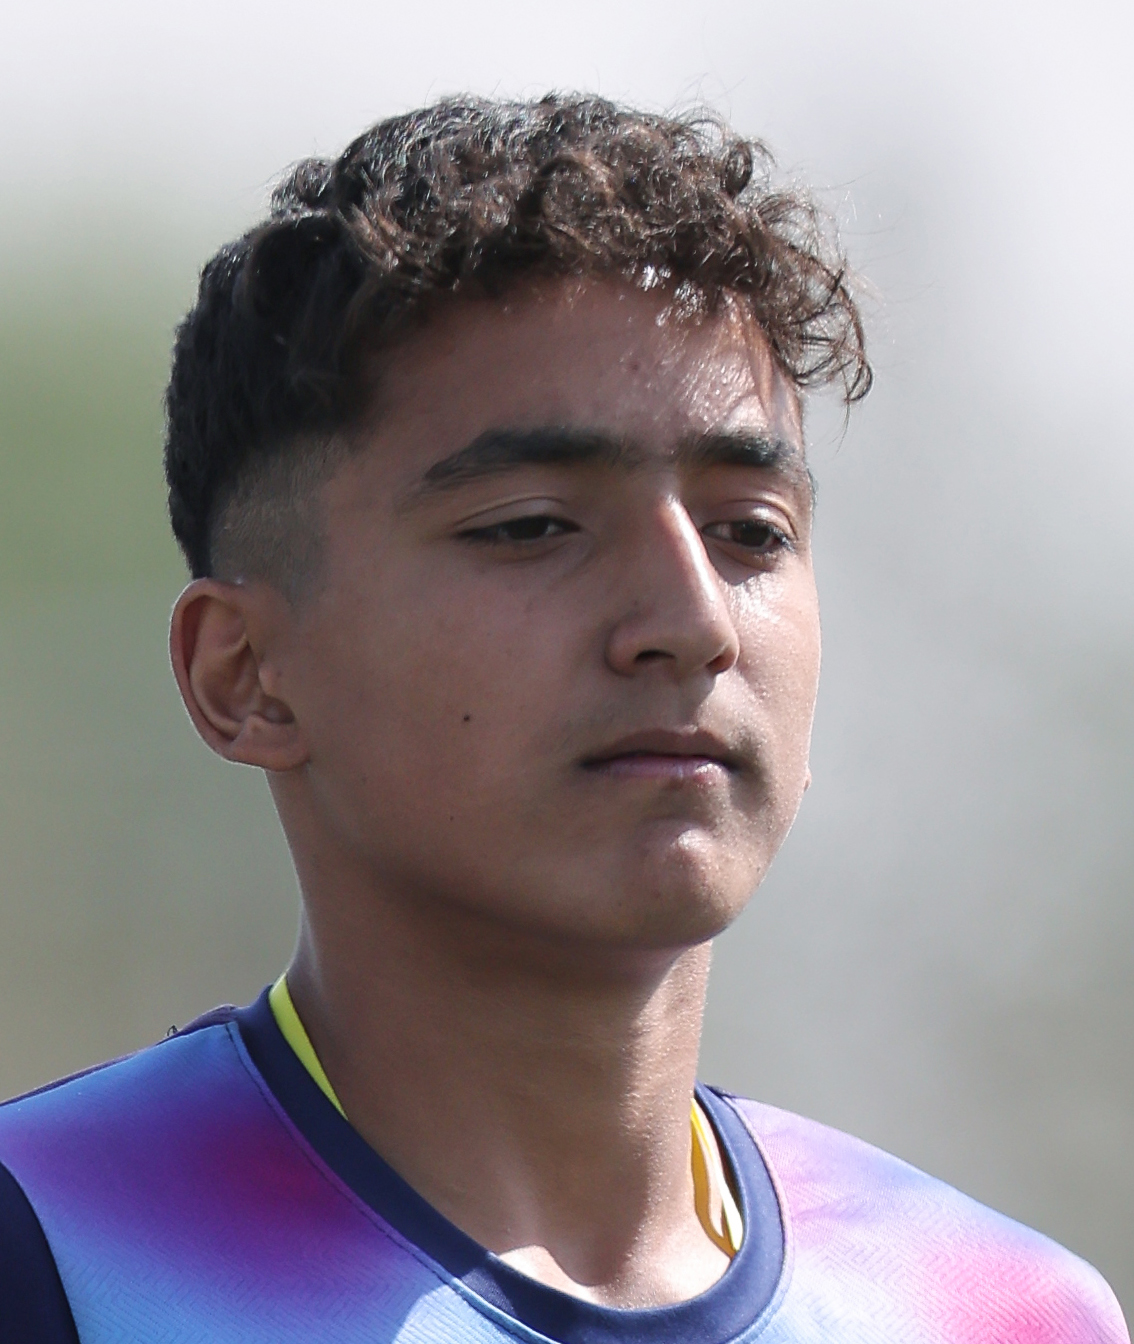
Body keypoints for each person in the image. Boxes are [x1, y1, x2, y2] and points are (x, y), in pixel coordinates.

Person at [0, 94, 1126, 1344]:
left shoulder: (1002, 1313)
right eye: (533, 526)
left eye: (751, 532)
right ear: (246, 673)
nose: (691, 620)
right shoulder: (56, 1253)